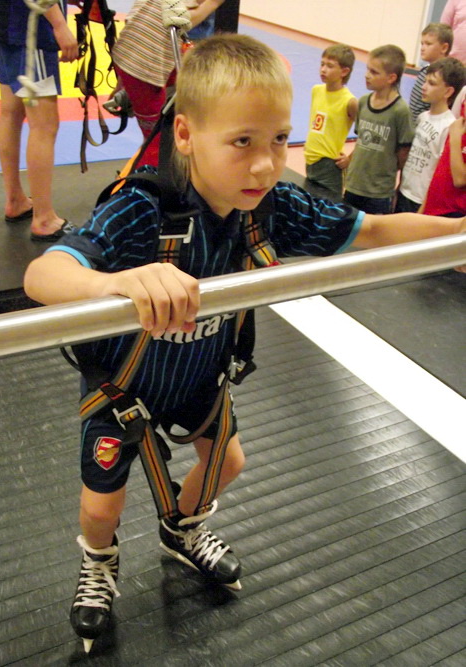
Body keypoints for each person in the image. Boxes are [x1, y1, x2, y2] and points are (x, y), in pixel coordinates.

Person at [23, 34, 466, 652]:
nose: (264, 165)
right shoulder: (141, 210)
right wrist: (114, 283)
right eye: (242, 143)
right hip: (125, 389)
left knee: (228, 464)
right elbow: (42, 275)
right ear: (185, 135)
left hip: (200, 378)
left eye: (279, 140)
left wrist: (456, 233)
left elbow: (369, 231)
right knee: (101, 508)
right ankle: (99, 561)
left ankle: (181, 529)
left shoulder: (270, 207)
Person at [0, 0, 79, 240]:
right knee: (45, 124)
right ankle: (44, 219)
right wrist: (59, 24)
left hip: (3, 20)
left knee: (11, 111)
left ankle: (15, 200)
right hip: (30, 25)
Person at [112, 0, 225, 167]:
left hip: (134, 61)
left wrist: (122, 82)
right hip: (143, 71)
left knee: (167, 129)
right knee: (156, 138)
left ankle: (161, 165)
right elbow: (183, 21)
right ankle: (150, 172)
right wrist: (213, 4)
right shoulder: (179, 12)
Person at [343, 44, 414, 214]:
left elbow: (403, 154)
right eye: (368, 69)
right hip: (354, 185)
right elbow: (361, 140)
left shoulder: (400, 111)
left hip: (378, 192)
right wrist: (349, 163)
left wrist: (396, 184)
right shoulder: (363, 102)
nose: (367, 75)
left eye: (374, 72)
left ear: (391, 78)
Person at [396, 57, 465, 213]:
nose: (424, 87)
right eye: (425, 81)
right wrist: (400, 187)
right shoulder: (423, 117)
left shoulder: (448, 126)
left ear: (448, 91)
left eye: (432, 83)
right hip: (405, 192)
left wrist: (423, 208)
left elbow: (438, 172)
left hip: (421, 200)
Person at [303, 44, 358, 198]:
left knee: (329, 207)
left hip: (329, 164)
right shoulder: (316, 90)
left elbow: (367, 134)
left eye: (330, 66)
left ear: (344, 71)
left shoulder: (349, 102)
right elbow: (318, 122)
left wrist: (350, 159)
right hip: (310, 159)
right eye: (322, 64)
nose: (323, 69)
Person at [421, 108, 466, 217]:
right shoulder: (459, 125)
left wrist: (455, 138)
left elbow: (460, 180)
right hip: (433, 208)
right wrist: (423, 209)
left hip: (453, 214)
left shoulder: (456, 130)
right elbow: (440, 168)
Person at [408, 23, 454, 123]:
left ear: (444, 48)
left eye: (428, 44)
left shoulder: (447, 78)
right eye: (422, 44)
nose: (422, 48)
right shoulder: (424, 71)